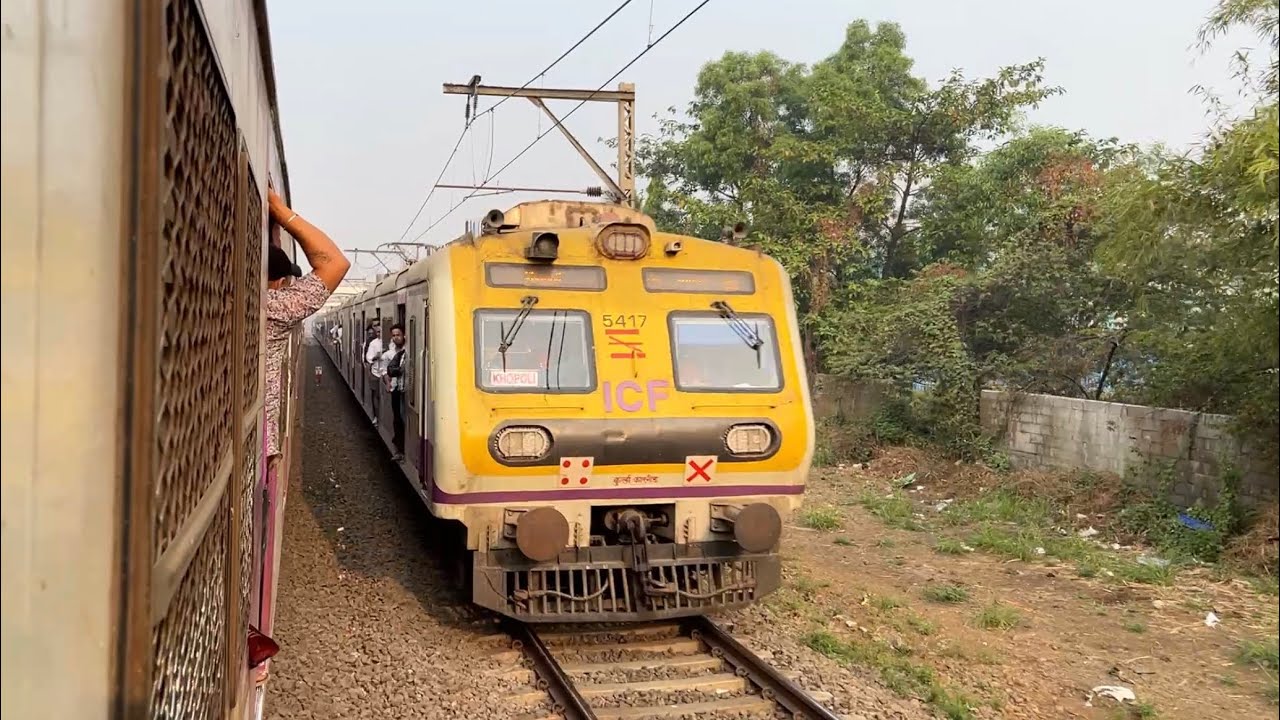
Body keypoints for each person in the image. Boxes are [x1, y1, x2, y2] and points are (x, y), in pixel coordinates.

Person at [265, 189, 351, 466]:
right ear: (279, 283)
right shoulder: (273, 309)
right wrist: (280, 210)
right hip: (254, 451)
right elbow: (335, 262)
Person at [383, 323, 408, 461]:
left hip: (405, 389)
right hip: (396, 389)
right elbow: (386, 370)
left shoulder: (408, 350)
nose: (396, 337)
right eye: (393, 335)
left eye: (398, 335)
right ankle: (399, 447)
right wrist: (388, 383)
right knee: (397, 418)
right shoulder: (392, 353)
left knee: (402, 418)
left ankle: (402, 447)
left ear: (404, 335)